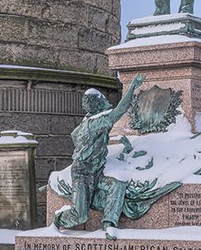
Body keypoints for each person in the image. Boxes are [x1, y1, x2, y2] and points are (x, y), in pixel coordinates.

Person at [55, 74, 146, 239]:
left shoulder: (89, 122)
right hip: (82, 173)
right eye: (103, 99)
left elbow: (80, 138)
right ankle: (58, 217)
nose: (106, 101)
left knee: (117, 184)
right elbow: (120, 110)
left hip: (96, 171)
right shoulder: (96, 123)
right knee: (80, 216)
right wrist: (132, 86)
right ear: (97, 105)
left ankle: (109, 224)